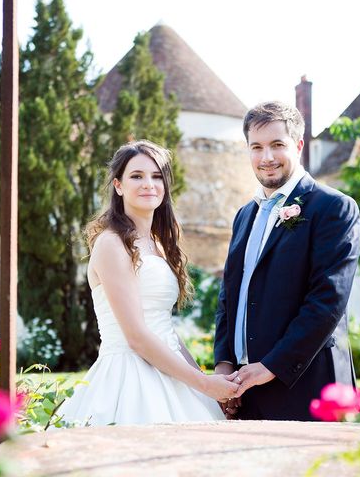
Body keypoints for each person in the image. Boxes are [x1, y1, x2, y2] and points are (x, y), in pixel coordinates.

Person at [59, 140, 240, 426]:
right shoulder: (111, 243)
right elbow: (137, 337)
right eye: (137, 176)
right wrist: (204, 385)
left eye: (157, 177)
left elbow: (166, 330)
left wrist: (204, 384)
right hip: (128, 377)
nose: (149, 184)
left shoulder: (159, 245)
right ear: (118, 185)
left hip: (171, 372)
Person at [214, 101, 360, 421]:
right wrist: (224, 367)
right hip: (244, 390)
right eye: (257, 147)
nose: (266, 157)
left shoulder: (333, 207)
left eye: (277, 145)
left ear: (297, 145)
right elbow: (229, 295)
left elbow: (327, 301)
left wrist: (270, 367)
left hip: (308, 388)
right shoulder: (244, 216)